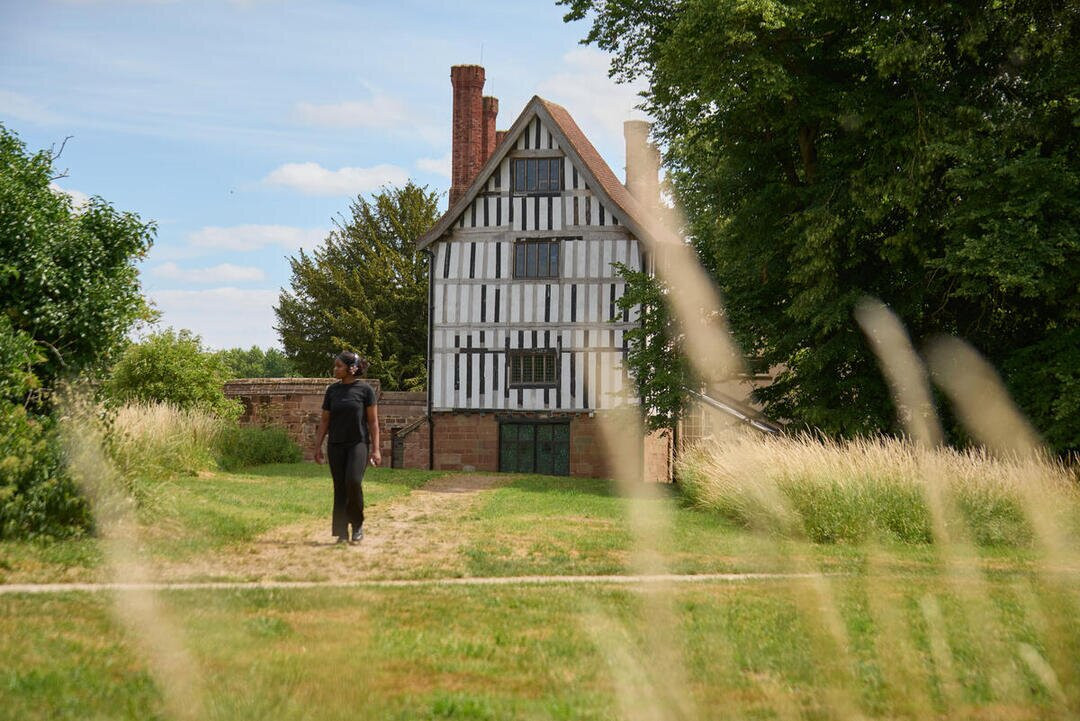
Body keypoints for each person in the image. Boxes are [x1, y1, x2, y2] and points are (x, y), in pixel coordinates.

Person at [313, 351, 381, 544]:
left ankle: (357, 524)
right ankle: (341, 532)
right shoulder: (332, 391)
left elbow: (373, 422)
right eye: (335, 366)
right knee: (340, 487)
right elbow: (325, 421)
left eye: (338, 366)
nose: (335, 369)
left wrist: (376, 449)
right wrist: (318, 447)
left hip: (358, 444)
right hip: (336, 446)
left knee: (353, 481)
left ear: (352, 368)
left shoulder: (365, 390)